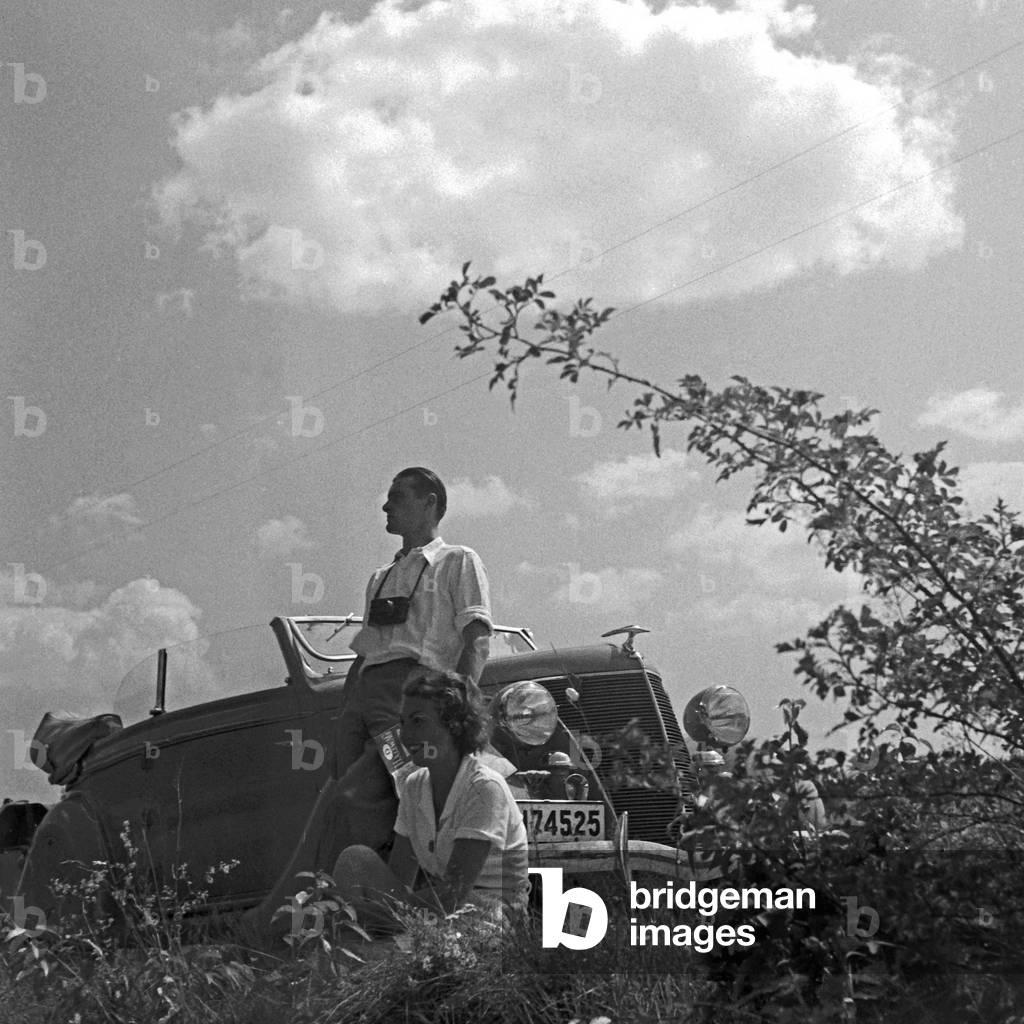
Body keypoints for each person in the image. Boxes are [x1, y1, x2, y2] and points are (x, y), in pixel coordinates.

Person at [245, 468, 493, 939]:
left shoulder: (458, 560)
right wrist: (347, 710)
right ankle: (345, 911)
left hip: (410, 694)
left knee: (398, 788)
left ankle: (404, 909)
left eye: (397, 497)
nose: (385, 506)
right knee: (350, 800)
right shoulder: (381, 576)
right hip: (363, 698)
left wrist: (456, 705)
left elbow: (476, 637)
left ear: (430, 502)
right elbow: (366, 648)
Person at [331, 669, 529, 934]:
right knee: (355, 859)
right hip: (441, 912)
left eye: (418, 721)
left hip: (492, 916)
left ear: (454, 725)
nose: (405, 735)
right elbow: (400, 883)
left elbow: (454, 893)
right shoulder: (414, 786)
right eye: (403, 723)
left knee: (360, 934)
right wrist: (382, 913)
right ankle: (375, 939)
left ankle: (371, 938)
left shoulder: (484, 786)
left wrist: (371, 917)